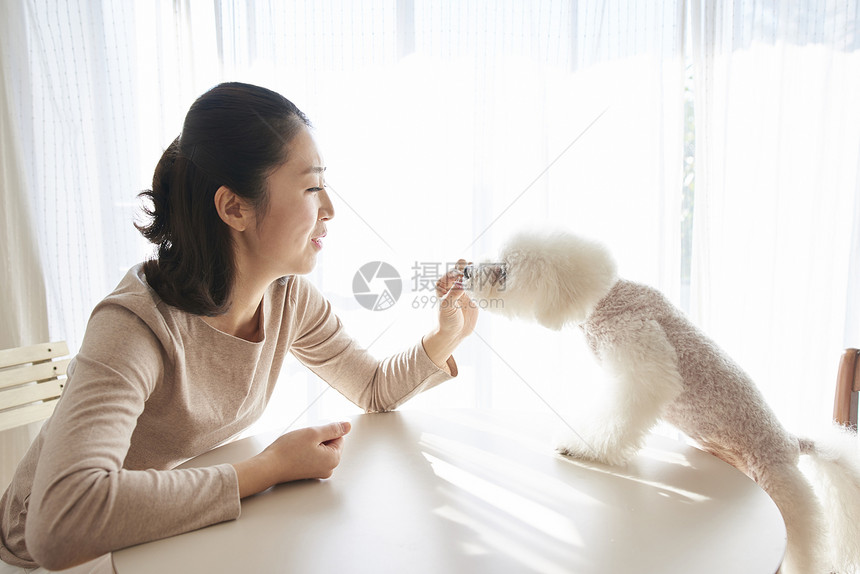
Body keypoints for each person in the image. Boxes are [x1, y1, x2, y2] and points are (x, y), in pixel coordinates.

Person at [0, 82, 478, 572]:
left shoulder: (287, 298)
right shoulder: (135, 326)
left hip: (159, 538)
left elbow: (374, 389)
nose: (330, 210)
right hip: (55, 561)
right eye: (312, 187)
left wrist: (445, 336)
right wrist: (265, 469)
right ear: (234, 208)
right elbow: (62, 522)